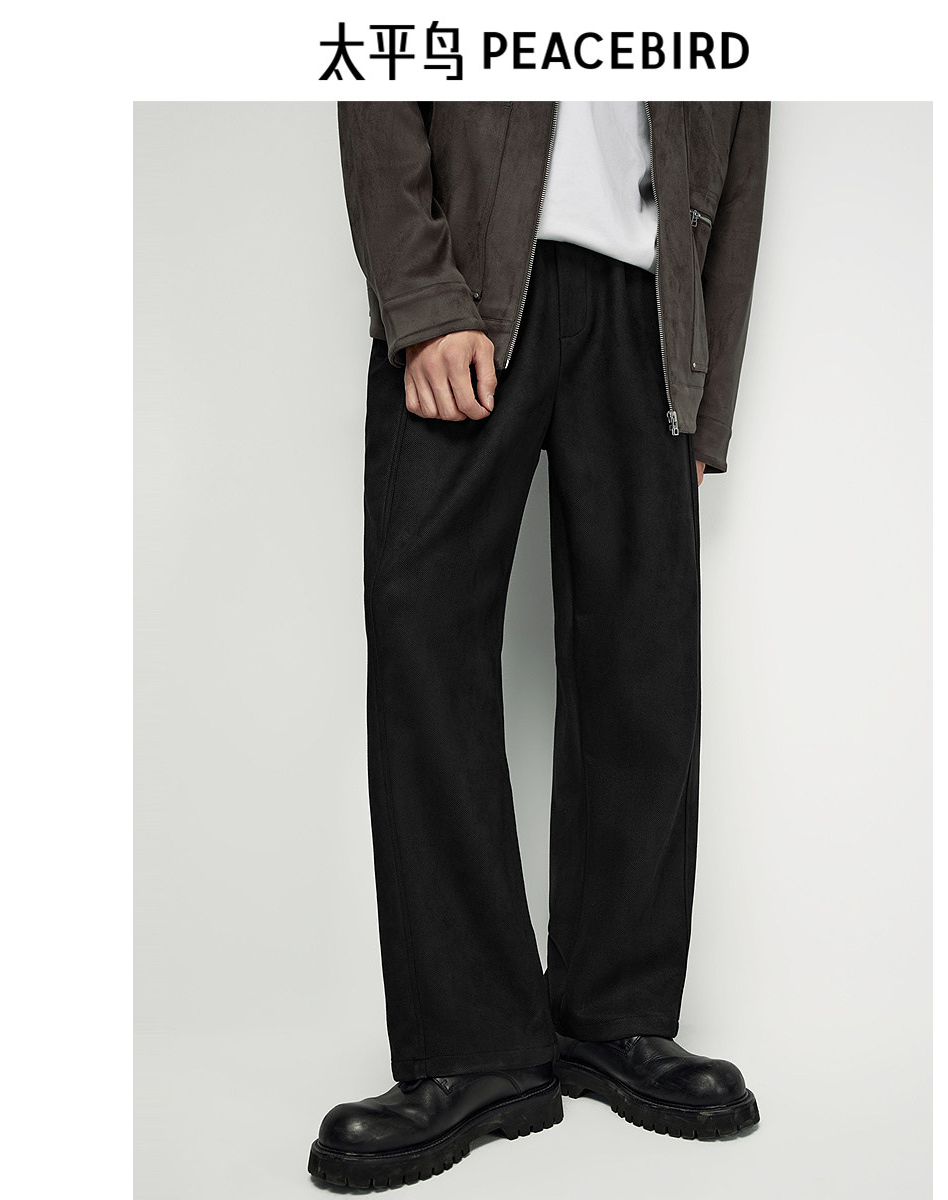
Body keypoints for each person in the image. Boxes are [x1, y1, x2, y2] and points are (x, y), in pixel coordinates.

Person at [308, 99, 770, 1190]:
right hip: (470, 287)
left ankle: (614, 1015)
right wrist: (420, 295)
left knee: (644, 665)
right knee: (427, 647)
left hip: (652, 308)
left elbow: (743, 155)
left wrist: (708, 389)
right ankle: (473, 1047)